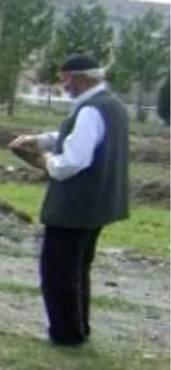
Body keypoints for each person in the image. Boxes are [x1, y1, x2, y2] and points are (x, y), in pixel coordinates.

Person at [9, 53, 130, 348]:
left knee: (58, 271)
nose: (62, 85)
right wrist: (40, 139)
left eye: (64, 79)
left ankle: (65, 334)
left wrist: (43, 158)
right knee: (79, 269)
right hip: (99, 204)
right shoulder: (112, 106)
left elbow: (72, 161)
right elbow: (73, 135)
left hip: (75, 205)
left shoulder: (90, 110)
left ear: (81, 78)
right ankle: (78, 327)